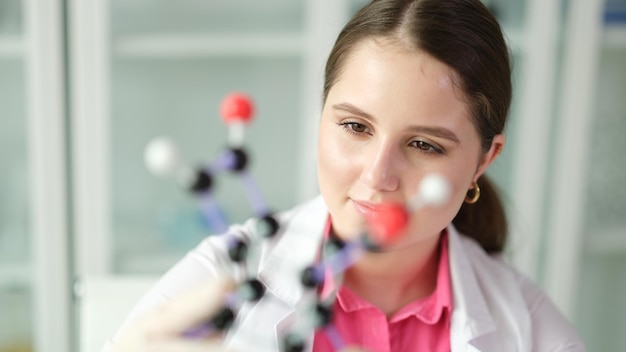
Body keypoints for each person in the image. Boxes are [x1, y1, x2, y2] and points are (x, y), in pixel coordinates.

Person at [106, 0, 585, 351]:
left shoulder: (531, 329)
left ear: (484, 158)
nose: (378, 176)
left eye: (423, 145)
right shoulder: (222, 276)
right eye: (356, 126)